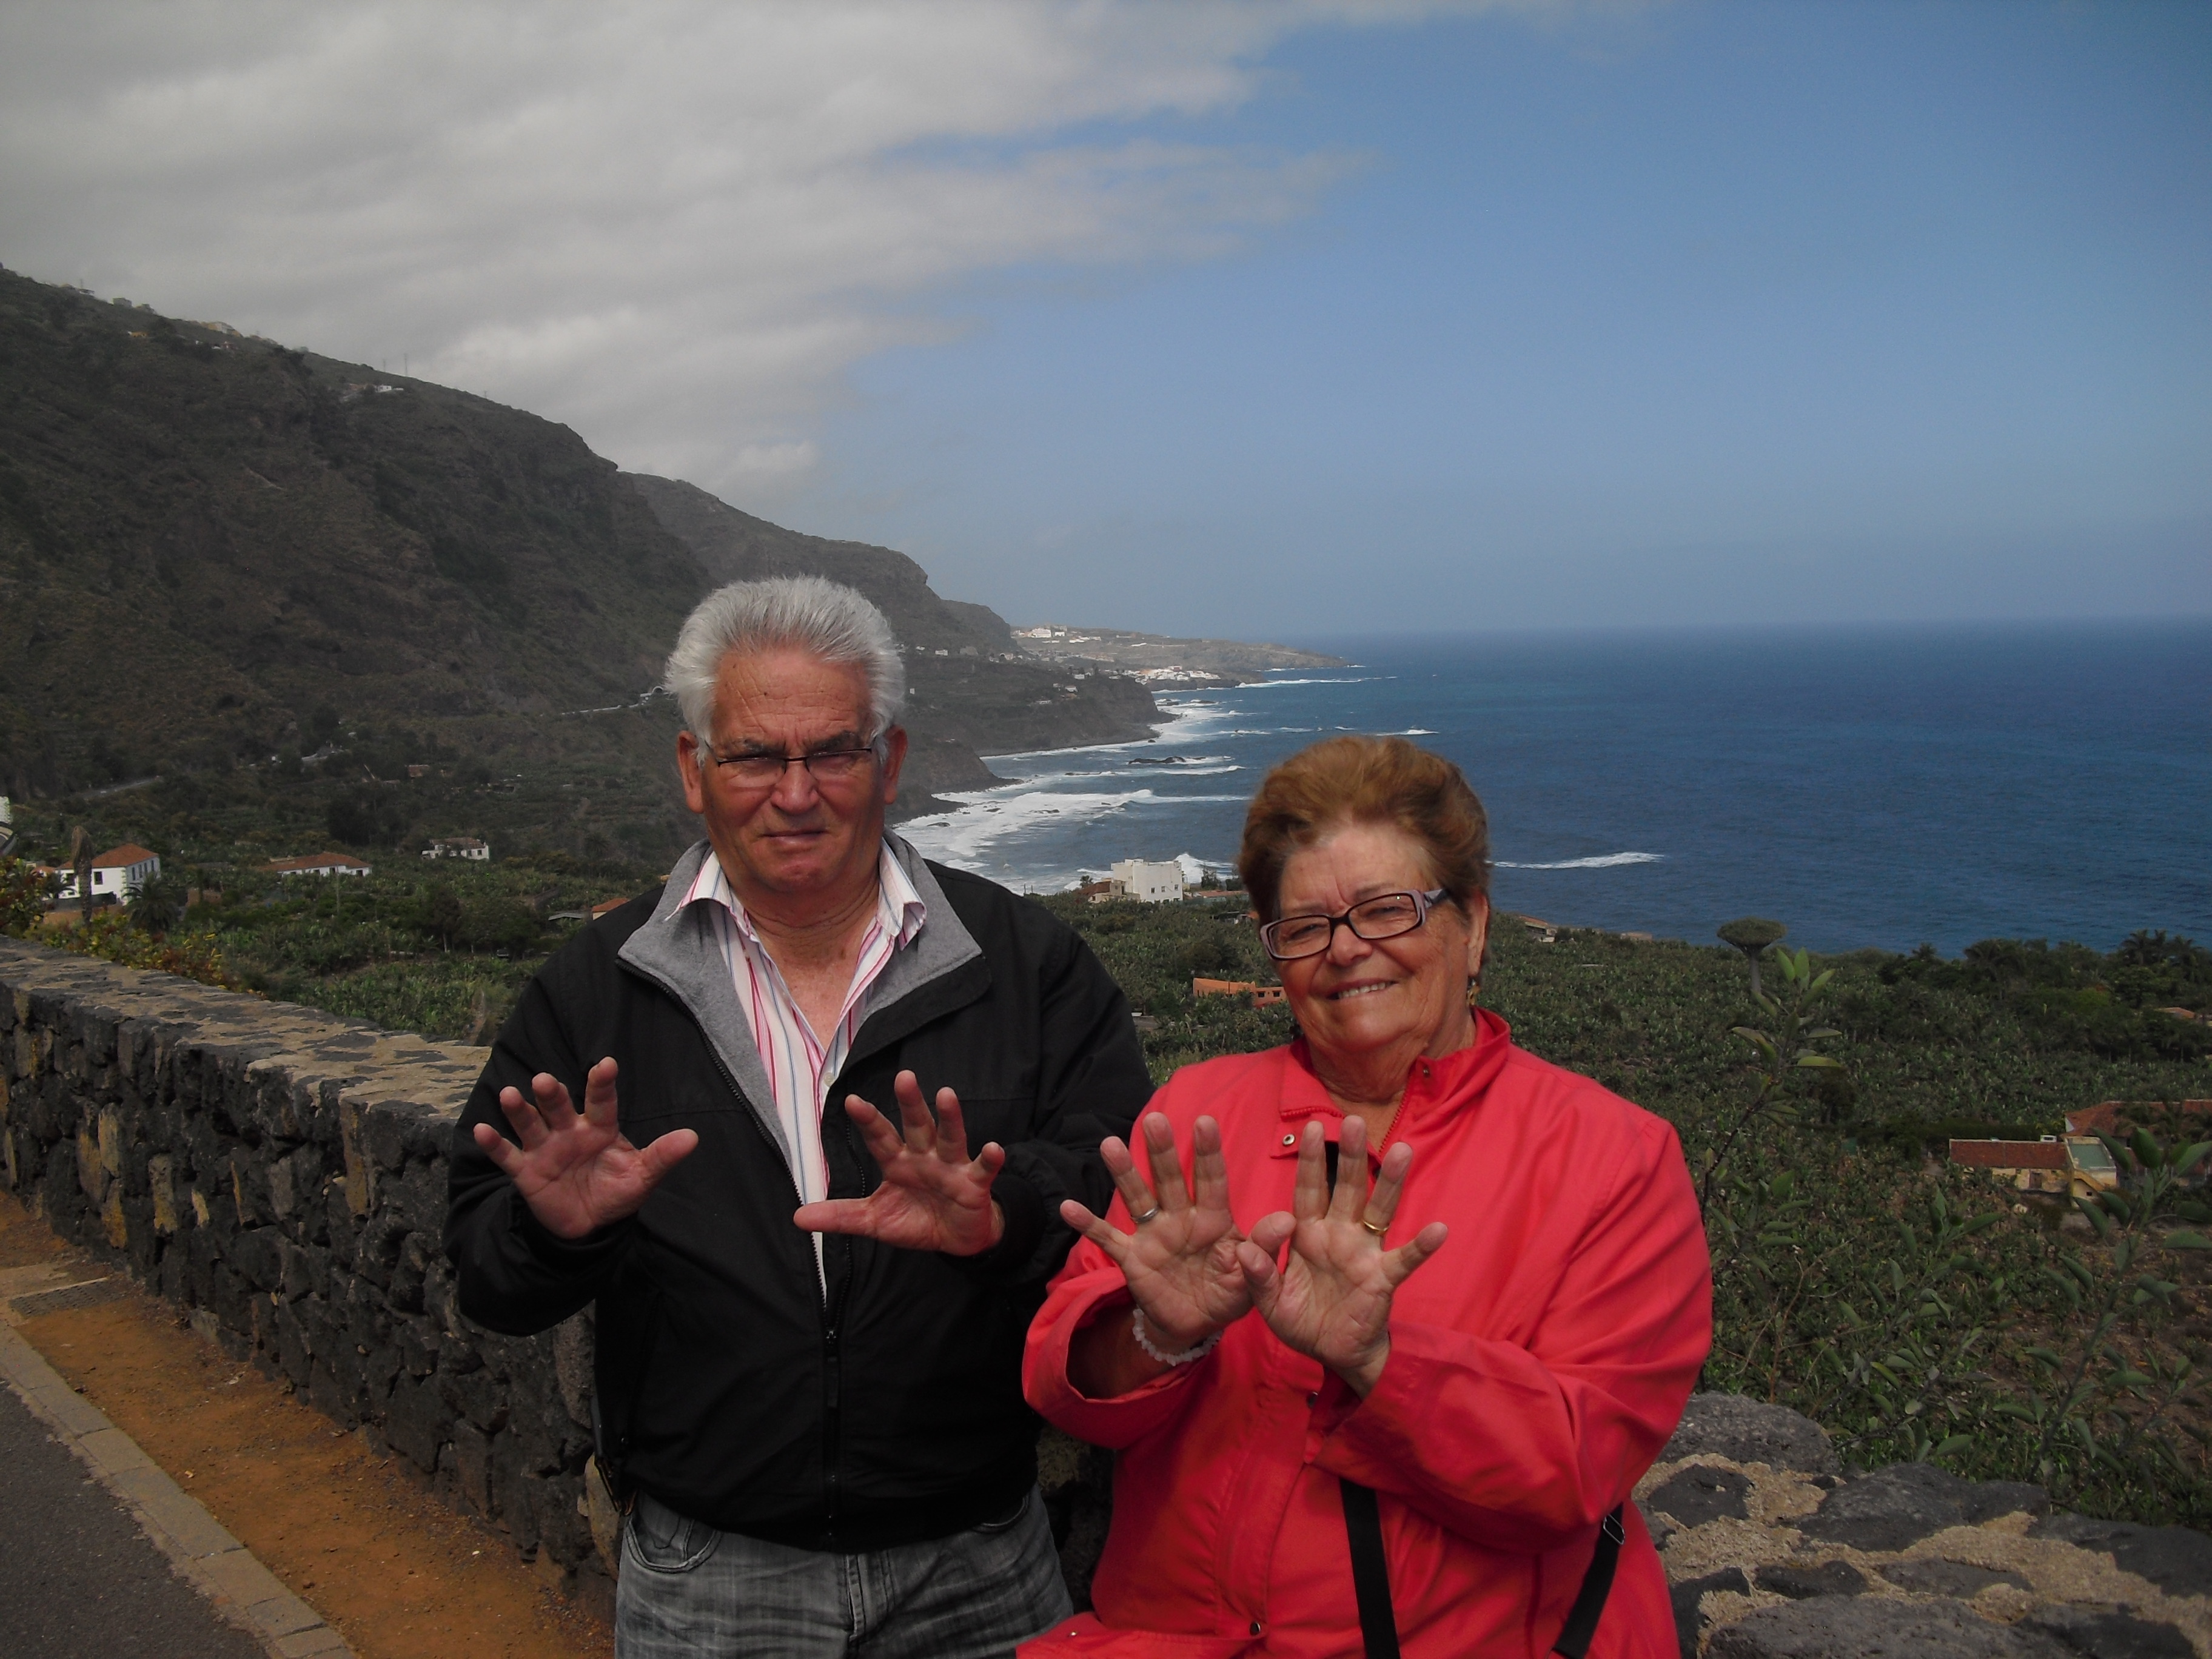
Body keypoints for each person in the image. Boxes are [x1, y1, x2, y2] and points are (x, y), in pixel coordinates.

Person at [444, 576, 1151, 1658]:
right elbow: (488, 1276)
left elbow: (1122, 1194)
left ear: (892, 762)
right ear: (694, 769)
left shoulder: (1028, 964)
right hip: (711, 1570)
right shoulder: (597, 990)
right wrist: (555, 1233)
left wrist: (1000, 1221)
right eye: (754, 757)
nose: (796, 792)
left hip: (979, 1555)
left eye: (833, 751)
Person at [1022, 736, 1712, 1658]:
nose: (1347, 952)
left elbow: (1576, 1468)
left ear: (1473, 927)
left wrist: (1384, 1364)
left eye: (1387, 910)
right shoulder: (1197, 1110)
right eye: (1306, 927)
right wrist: (1159, 1334)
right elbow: (1063, 1389)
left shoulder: (1611, 1155)